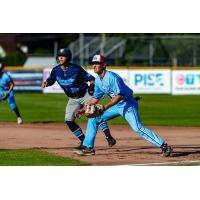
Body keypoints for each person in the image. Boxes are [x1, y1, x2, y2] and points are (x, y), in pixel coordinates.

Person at [74, 54, 173, 156]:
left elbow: (119, 96)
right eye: (93, 64)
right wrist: (83, 109)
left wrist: (105, 107)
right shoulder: (98, 80)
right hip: (116, 105)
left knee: (137, 127)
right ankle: (88, 147)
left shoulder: (112, 77)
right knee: (93, 119)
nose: (94, 66)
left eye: (97, 63)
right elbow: (95, 98)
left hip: (127, 104)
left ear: (104, 65)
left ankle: (164, 146)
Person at [42, 48, 116, 148]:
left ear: (68, 58)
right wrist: (47, 82)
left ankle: (109, 137)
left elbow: (91, 79)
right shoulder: (56, 70)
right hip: (72, 99)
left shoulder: (76, 69)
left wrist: (92, 86)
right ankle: (84, 141)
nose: (60, 58)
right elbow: (51, 79)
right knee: (69, 120)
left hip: (85, 95)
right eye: (59, 56)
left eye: (62, 56)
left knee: (94, 113)